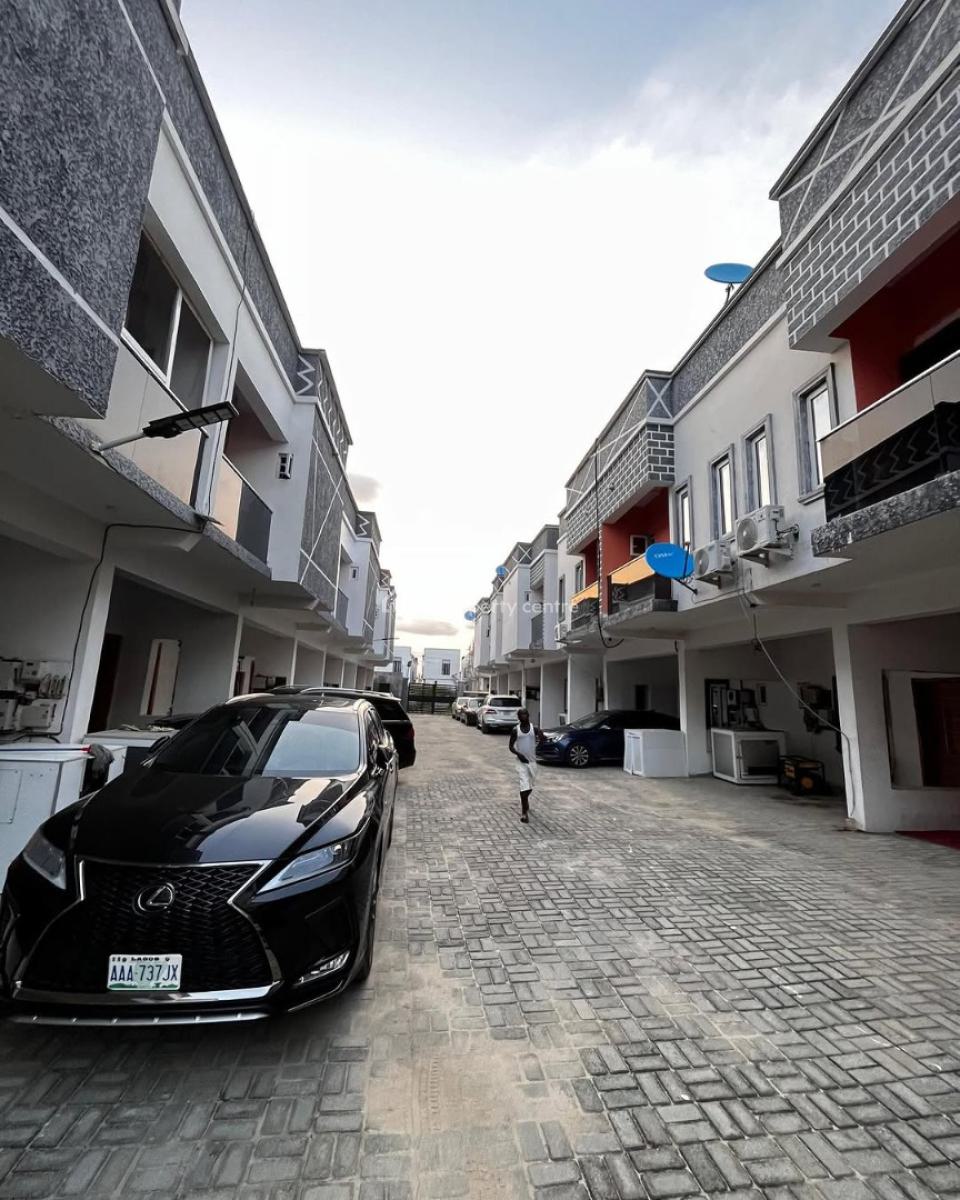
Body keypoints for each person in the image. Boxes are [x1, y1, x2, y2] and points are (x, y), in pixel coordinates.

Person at [509, 708, 542, 823]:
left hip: (532, 762)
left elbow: (543, 739)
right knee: (524, 785)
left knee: (530, 786)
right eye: (521, 714)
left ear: (528, 715)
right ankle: (524, 812)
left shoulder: (535, 729)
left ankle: (525, 799)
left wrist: (537, 748)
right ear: (518, 717)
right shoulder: (515, 730)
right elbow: (511, 747)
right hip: (521, 762)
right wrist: (519, 754)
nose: (523, 716)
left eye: (525, 714)